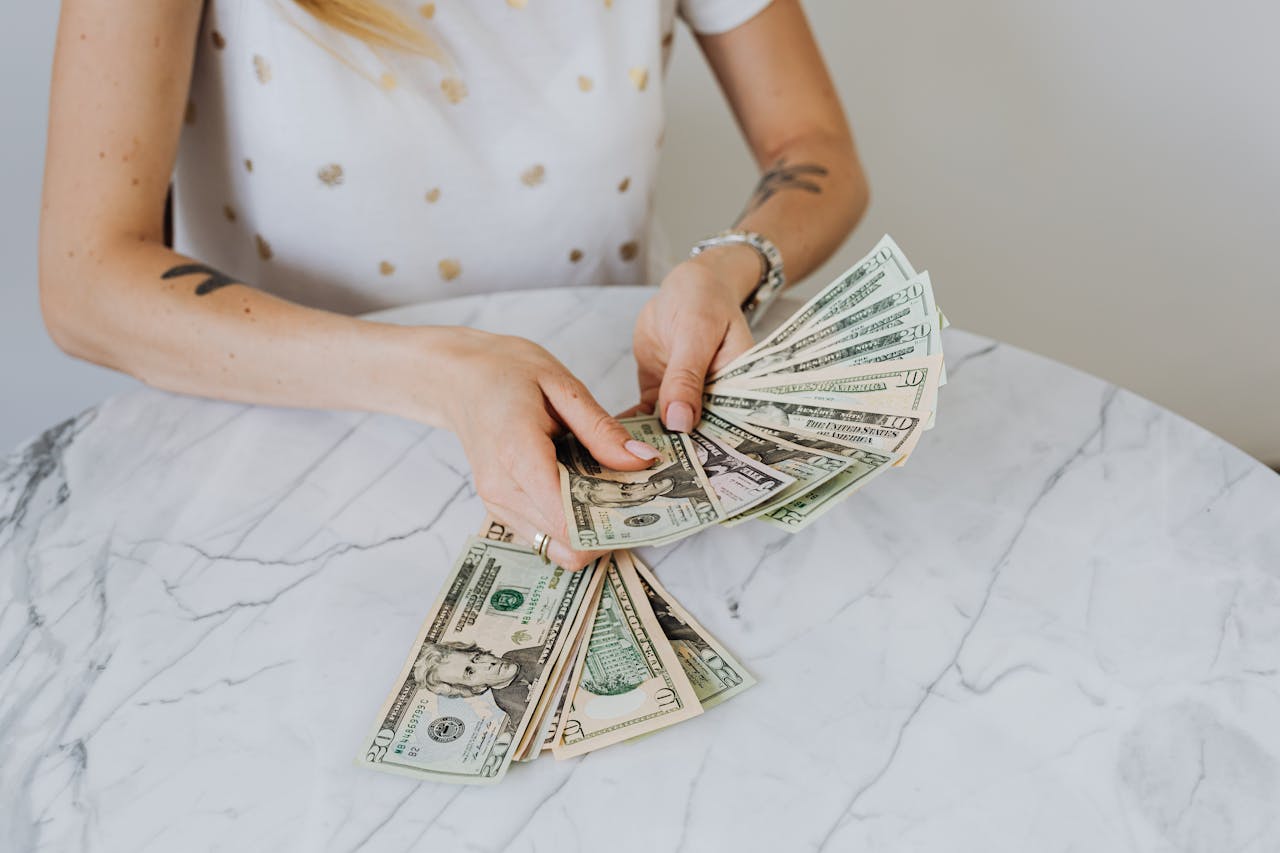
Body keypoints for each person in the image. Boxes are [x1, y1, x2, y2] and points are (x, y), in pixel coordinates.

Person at [39, 0, 869, 570]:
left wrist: (729, 265)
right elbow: (85, 284)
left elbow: (814, 144)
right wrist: (446, 375)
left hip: (596, 441)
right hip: (272, 486)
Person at [413, 640, 542, 727]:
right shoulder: (507, 699)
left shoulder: (513, 656)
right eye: (470, 672)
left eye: (476, 658)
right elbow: (525, 722)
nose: (488, 664)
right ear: (477, 688)